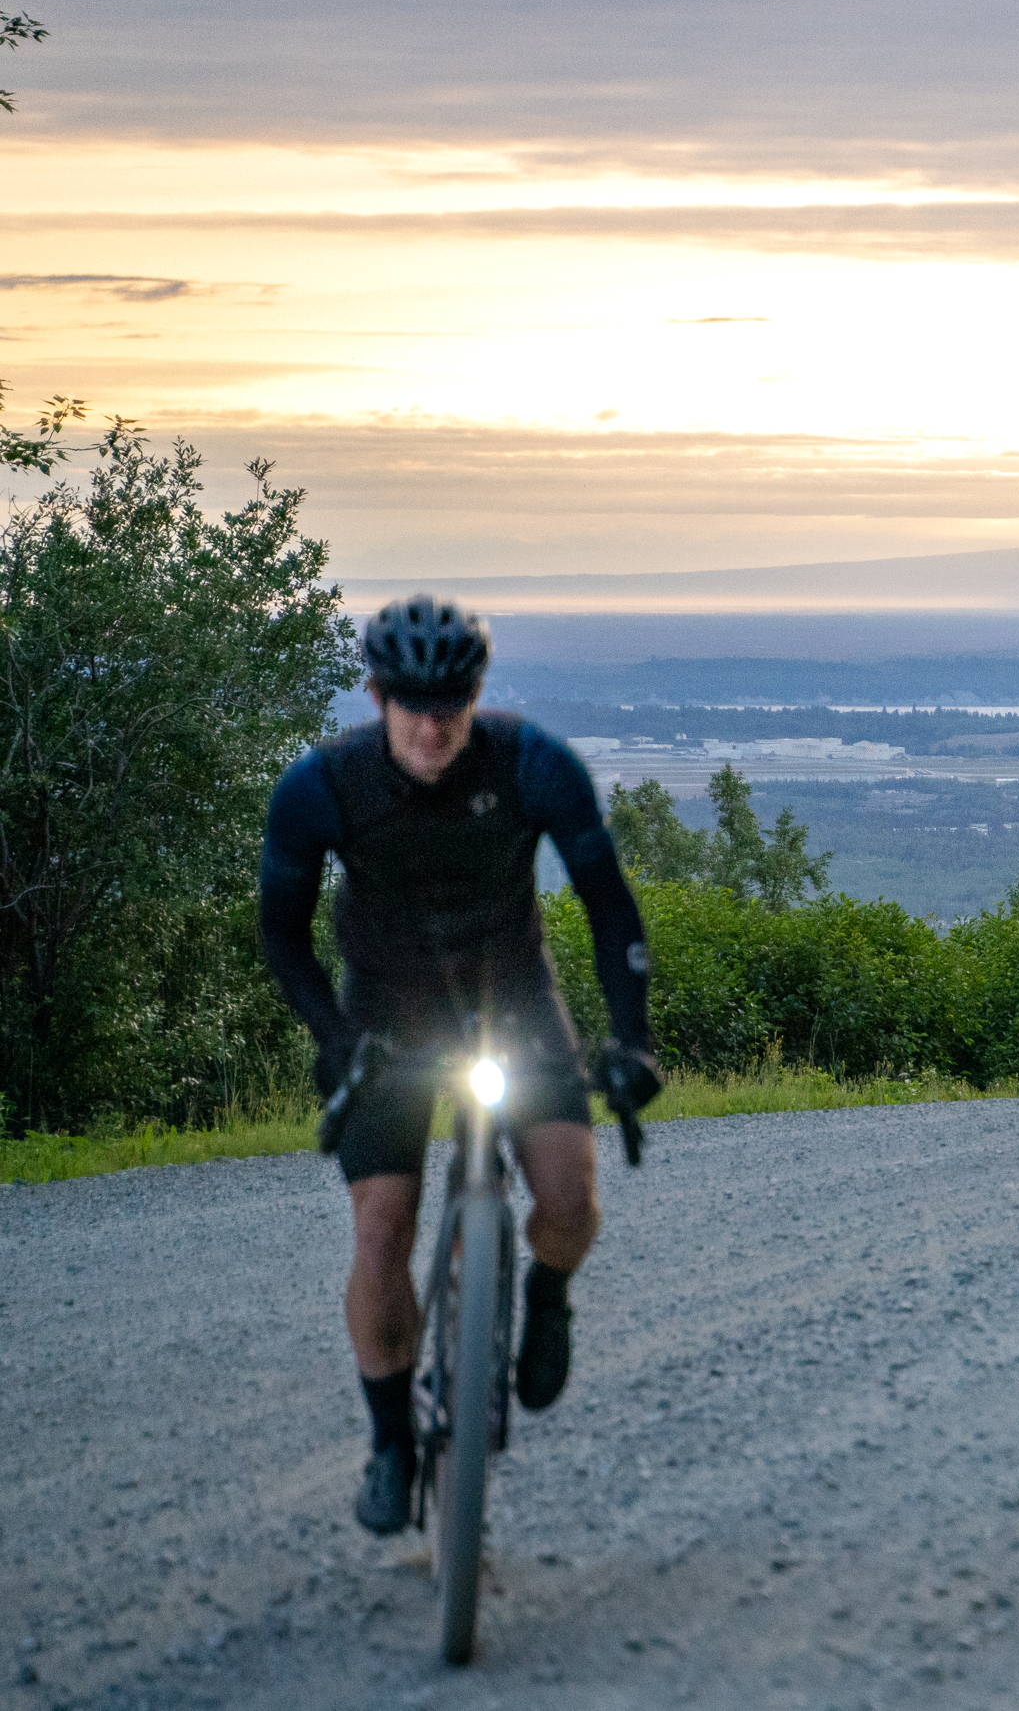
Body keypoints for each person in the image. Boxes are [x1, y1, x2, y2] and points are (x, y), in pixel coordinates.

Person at [257, 595, 662, 1535]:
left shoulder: (532, 766)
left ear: (478, 694)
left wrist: (631, 1040)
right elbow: (280, 935)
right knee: (381, 1227)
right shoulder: (323, 787)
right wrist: (331, 1034)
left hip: (510, 995)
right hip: (383, 1014)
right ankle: (392, 1440)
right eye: (413, 704)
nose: (433, 725)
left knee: (567, 1197)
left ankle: (546, 1295)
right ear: (377, 695)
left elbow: (611, 910)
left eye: (452, 703)